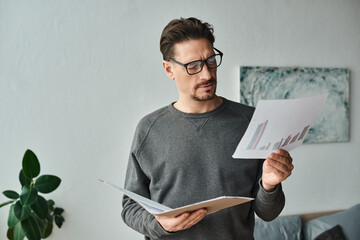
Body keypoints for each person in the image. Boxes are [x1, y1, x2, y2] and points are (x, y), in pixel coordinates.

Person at [121, 17, 294, 240]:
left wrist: (269, 186)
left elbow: (268, 213)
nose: (207, 74)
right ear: (169, 69)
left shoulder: (252, 122)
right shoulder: (149, 128)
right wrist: (160, 225)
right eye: (193, 66)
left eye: (211, 60)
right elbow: (130, 207)